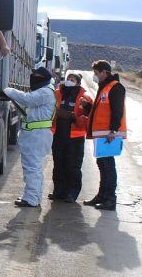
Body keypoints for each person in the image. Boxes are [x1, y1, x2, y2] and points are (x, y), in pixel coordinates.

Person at [3, 67, 57, 207]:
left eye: (36, 75)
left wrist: (8, 90)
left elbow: (27, 99)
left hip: (37, 135)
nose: (33, 77)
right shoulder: (44, 91)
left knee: (32, 168)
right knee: (34, 168)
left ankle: (31, 198)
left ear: (43, 78)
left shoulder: (45, 92)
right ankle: (32, 196)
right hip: (36, 134)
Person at [84, 60, 127, 211]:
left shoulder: (115, 87)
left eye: (96, 73)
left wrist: (113, 131)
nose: (94, 76)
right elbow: (102, 110)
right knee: (102, 165)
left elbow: (117, 111)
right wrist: (88, 107)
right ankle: (102, 196)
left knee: (108, 167)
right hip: (102, 135)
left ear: (104, 72)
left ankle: (110, 199)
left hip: (109, 135)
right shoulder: (104, 87)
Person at [49, 73, 93, 203]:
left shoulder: (84, 97)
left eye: (72, 80)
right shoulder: (57, 93)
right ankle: (58, 191)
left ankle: (71, 193)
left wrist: (73, 117)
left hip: (75, 136)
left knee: (72, 166)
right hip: (58, 134)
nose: (69, 81)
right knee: (58, 164)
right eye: (68, 79)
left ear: (78, 83)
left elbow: (88, 117)